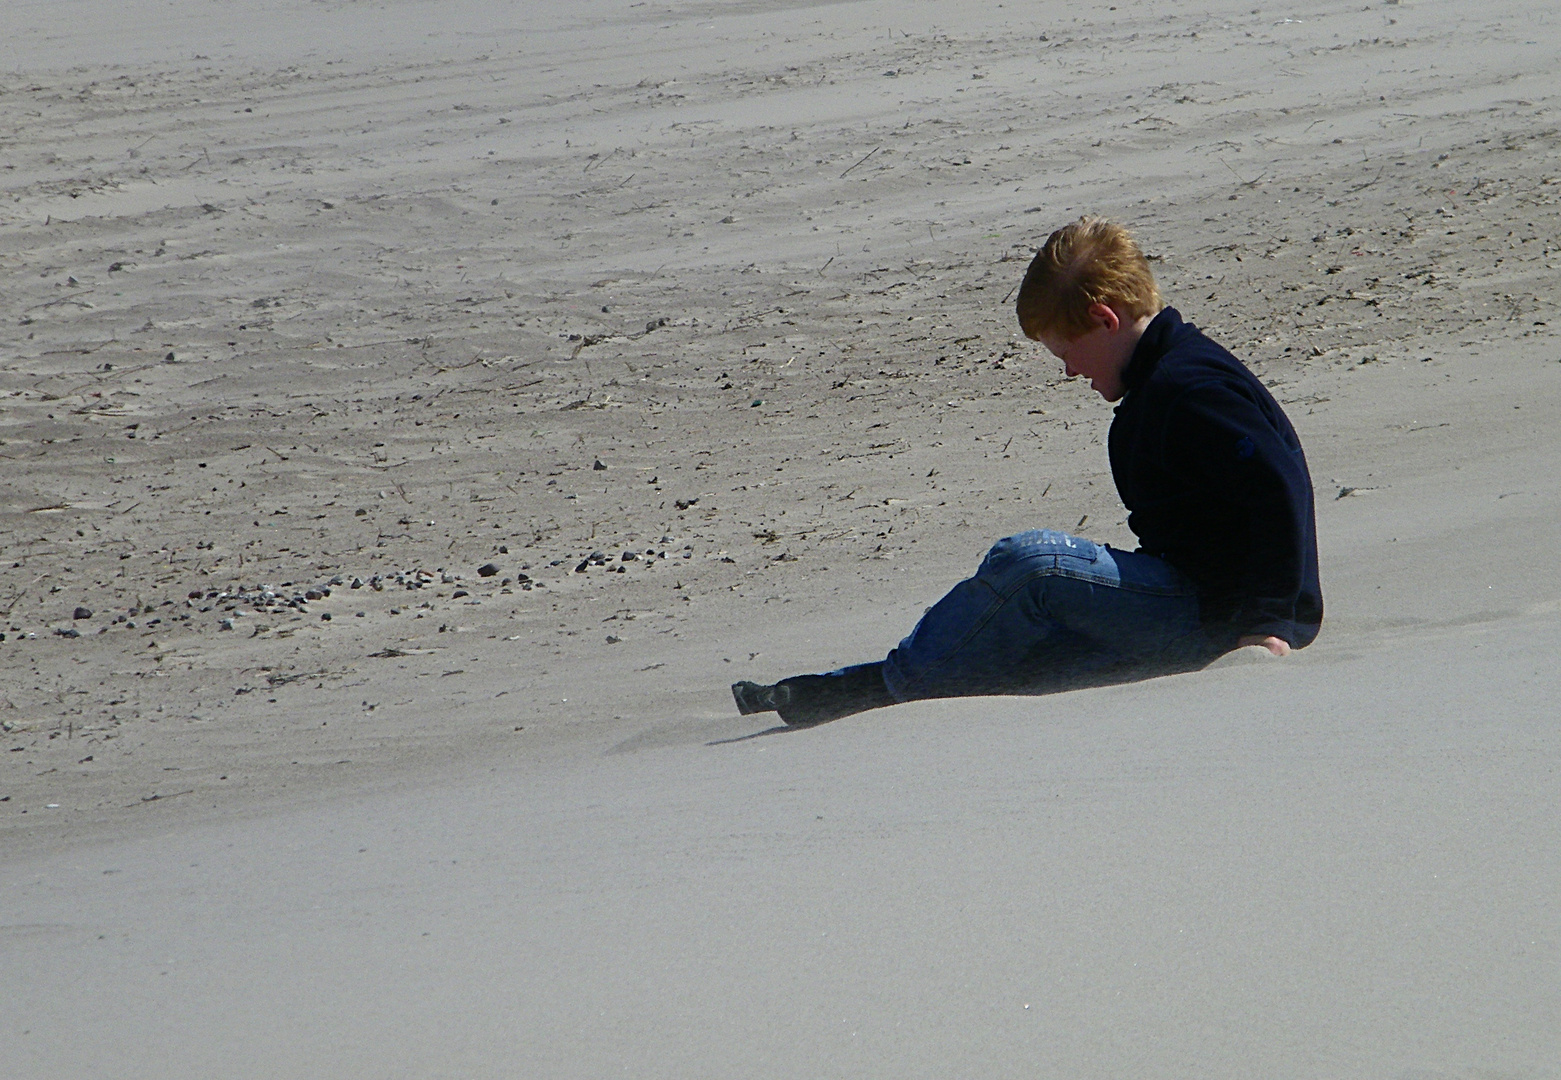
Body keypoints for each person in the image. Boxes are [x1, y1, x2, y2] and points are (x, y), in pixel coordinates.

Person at [732, 216, 1322, 726]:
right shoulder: (1160, 388)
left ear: (1105, 319)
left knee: (1031, 563)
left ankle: (880, 685)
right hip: (1190, 604)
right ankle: (831, 694)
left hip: (1215, 617)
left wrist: (1270, 623)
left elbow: (1280, 487)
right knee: (1022, 650)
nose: (1068, 373)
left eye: (1066, 352)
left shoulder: (1192, 387)